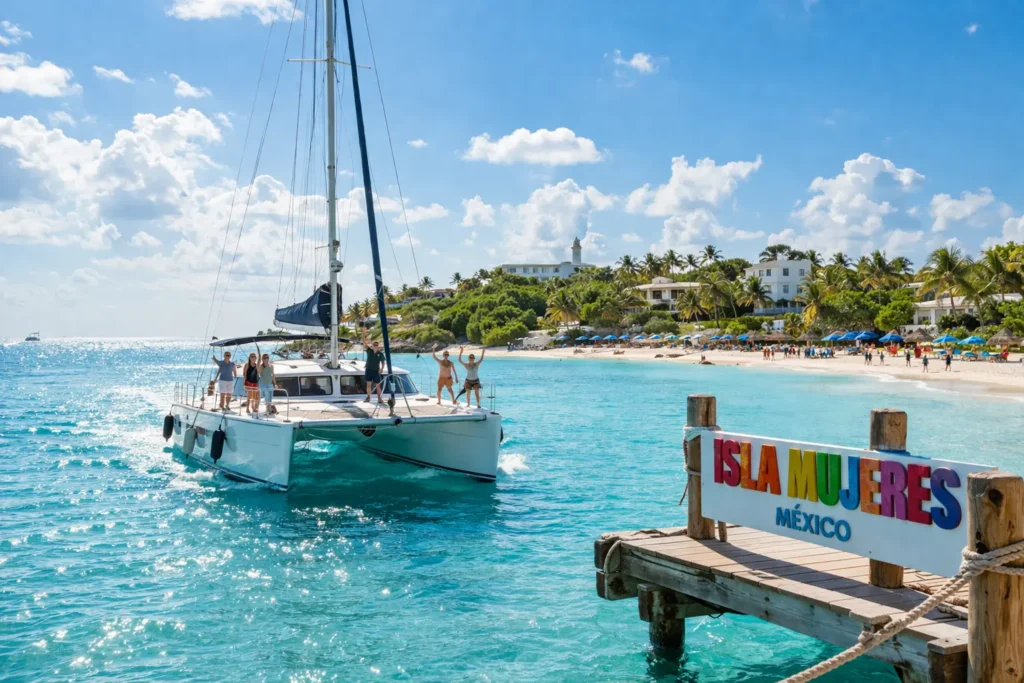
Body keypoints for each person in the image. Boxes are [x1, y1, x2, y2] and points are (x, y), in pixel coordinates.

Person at [361, 329, 386, 402]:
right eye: (374, 345)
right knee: (368, 385)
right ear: (372, 346)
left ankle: (379, 398)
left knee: (378, 385)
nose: (375, 346)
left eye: (376, 345)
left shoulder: (380, 354)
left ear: (378, 346)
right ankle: (368, 397)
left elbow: (383, 362)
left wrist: (382, 368)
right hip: (368, 370)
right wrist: (364, 334)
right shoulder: (369, 351)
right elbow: (364, 342)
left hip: (376, 371)